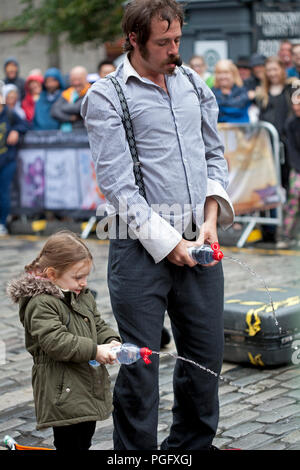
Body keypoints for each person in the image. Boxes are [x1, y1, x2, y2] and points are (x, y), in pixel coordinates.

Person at [81, 0, 234, 451]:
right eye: (163, 42)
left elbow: (214, 156)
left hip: (198, 237)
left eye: (178, 40)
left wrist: (209, 220)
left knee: (205, 360)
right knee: (140, 366)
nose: (174, 50)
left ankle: (189, 449)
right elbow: (118, 187)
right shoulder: (107, 95)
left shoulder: (192, 83)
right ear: (134, 39)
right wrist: (171, 246)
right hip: (136, 246)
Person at [6, 230, 121, 451]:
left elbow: (97, 323)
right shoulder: (40, 303)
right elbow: (55, 341)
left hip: (86, 383)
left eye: (86, 276)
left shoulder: (80, 294)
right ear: (51, 274)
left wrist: (111, 340)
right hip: (62, 389)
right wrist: (95, 350)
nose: (84, 283)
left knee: (85, 436)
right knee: (70, 441)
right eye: (78, 277)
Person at [256, 56, 293, 189]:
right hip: (269, 144)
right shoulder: (262, 94)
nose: (272, 73)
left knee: (288, 179)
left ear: (282, 70)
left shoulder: (291, 89)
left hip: (290, 142)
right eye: (269, 70)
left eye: (275, 69)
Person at [0, 88, 28, 236]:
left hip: (7, 160)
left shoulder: (10, 114)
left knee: (4, 192)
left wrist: (16, 130)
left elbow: (24, 125)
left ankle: (2, 223)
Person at [277, 101, 300, 248]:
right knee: (294, 197)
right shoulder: (291, 123)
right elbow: (292, 150)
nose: (296, 107)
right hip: (297, 166)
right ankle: (287, 234)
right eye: (295, 104)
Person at [51, 66, 90, 131]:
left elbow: (77, 108)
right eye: (73, 80)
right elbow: (54, 111)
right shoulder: (67, 92)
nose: (76, 83)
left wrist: (62, 108)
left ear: (85, 78)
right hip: (65, 132)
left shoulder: (91, 91)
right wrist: (70, 118)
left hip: (83, 132)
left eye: (79, 79)